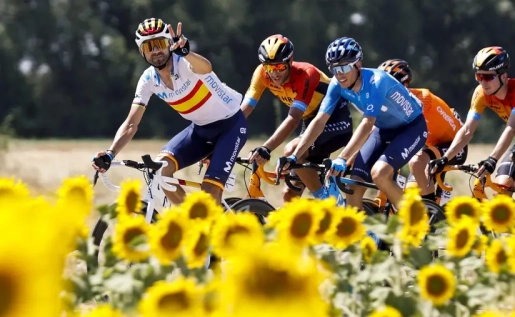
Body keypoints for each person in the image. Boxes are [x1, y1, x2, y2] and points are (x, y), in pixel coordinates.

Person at [91, 18, 247, 206]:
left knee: (209, 192)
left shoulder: (185, 62)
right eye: (149, 47)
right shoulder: (148, 79)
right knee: (160, 171)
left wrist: (188, 53)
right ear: (142, 52)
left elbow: (206, 68)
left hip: (230, 126)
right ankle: (190, 220)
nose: (156, 51)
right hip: (199, 130)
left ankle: (215, 227)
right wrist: (110, 154)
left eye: (160, 44)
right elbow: (131, 123)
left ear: (169, 44)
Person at [277, 37, 428, 209]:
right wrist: (295, 155)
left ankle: (416, 221)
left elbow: (367, 124)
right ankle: (366, 235)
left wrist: (342, 158)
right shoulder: (336, 84)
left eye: (345, 67)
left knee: (379, 174)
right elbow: (320, 121)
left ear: (358, 64)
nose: (339, 73)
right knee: (352, 188)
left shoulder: (377, 82)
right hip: (383, 129)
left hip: (411, 128)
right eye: (334, 68)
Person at [430, 46, 515, 209]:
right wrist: (445, 158)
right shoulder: (481, 94)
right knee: (501, 187)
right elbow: (467, 130)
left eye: (488, 77)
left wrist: (492, 159)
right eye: (479, 76)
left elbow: (511, 127)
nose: (482, 82)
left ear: (503, 75)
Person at [241, 34, 353, 202]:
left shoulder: (307, 74)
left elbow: (293, 119)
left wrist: (266, 148)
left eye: (279, 67)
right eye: (269, 68)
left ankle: (332, 200)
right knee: (289, 195)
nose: (274, 74)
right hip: (309, 122)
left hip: (335, 119)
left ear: (289, 62)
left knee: (292, 151)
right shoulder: (262, 73)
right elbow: (244, 110)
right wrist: (224, 137)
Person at [378, 59, 466, 202]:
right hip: (431, 144)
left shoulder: (422, 100)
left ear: (405, 85)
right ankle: (432, 206)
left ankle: (430, 210)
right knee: (413, 192)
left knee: (416, 163)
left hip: (453, 145)